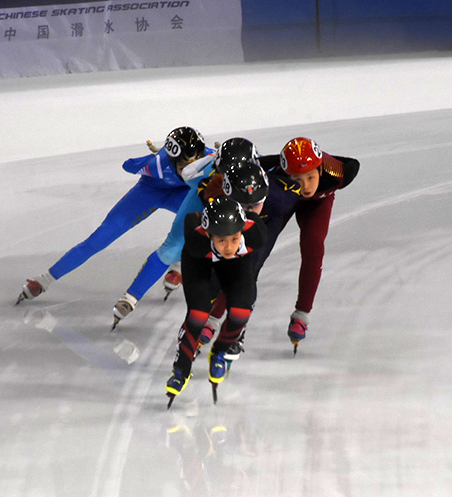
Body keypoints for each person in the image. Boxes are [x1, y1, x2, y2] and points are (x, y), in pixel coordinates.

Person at [15, 127, 211, 305]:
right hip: (150, 192)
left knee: (207, 221)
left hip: (183, 194)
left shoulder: (209, 157)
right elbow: (128, 165)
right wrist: (155, 158)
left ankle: (178, 263)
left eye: (195, 163)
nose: (190, 169)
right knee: (97, 240)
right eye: (184, 165)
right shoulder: (156, 165)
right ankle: (45, 279)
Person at [201, 137, 360, 354]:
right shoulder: (275, 177)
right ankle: (214, 316)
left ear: (320, 169)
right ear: (286, 174)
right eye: (297, 179)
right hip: (282, 201)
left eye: (310, 177)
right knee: (249, 257)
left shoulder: (338, 173)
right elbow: (251, 169)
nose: (305, 186)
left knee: (313, 246)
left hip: (318, 205)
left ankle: (302, 314)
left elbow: (353, 164)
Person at [111, 137, 261, 327]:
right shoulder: (204, 173)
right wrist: (207, 160)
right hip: (200, 201)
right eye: (223, 172)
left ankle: (181, 265)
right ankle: (131, 297)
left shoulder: (257, 177)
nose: (226, 178)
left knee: (227, 254)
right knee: (171, 249)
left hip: (232, 208)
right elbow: (187, 173)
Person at [165, 196, 267, 408]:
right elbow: (192, 218)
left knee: (241, 312)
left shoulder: (255, 235)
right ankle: (181, 369)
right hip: (199, 261)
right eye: (222, 240)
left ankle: (219, 351)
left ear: (242, 232)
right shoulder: (197, 241)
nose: (229, 247)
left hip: (237, 263)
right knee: (197, 315)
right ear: (209, 234)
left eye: (234, 239)